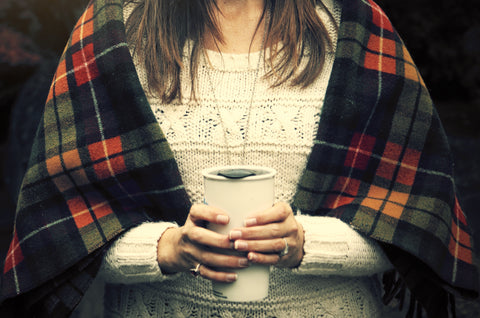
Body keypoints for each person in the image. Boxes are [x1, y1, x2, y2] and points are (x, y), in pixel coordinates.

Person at [1, 0, 478, 317]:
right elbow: (60, 230)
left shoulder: (355, 28)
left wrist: (303, 243)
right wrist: (168, 248)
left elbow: (416, 219)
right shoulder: (110, 31)